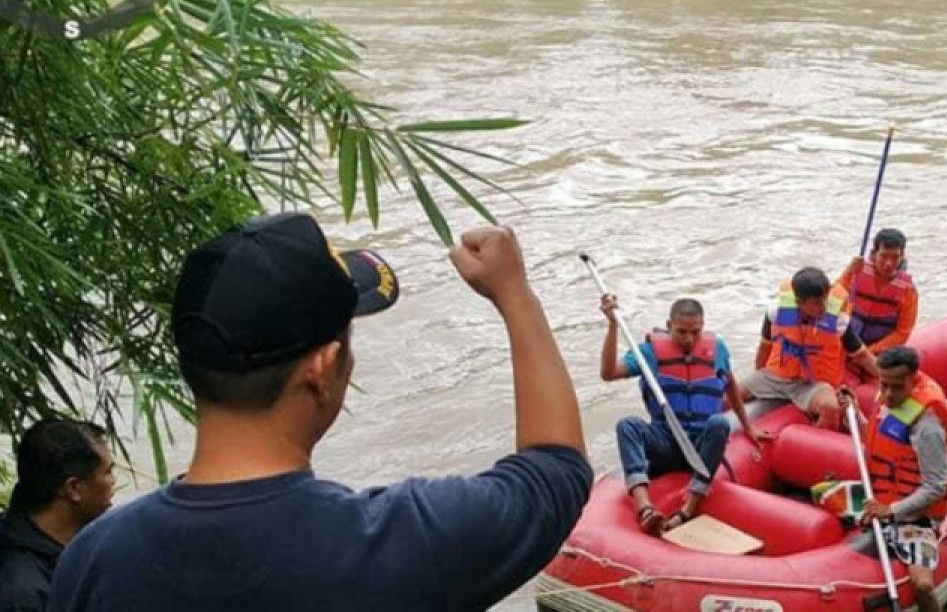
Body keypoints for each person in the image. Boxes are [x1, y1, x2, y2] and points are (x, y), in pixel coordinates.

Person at [49, 214, 591, 611]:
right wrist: (515, 296)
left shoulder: (92, 562)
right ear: (324, 367)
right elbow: (556, 472)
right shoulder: (399, 543)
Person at [600, 295, 770, 535]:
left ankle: (687, 509)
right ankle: (645, 508)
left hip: (700, 448)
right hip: (666, 441)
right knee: (627, 425)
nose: (689, 339)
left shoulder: (717, 349)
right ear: (669, 326)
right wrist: (612, 325)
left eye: (696, 332)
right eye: (681, 332)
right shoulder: (649, 353)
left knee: (719, 423)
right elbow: (608, 373)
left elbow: (730, 385)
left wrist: (747, 426)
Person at [839, 347, 947, 612]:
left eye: (897, 387)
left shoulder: (927, 425)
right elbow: (874, 440)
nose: (889, 394)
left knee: (923, 586)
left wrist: (890, 511)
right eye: (884, 385)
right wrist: (855, 413)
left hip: (916, 518)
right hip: (882, 498)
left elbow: (936, 486)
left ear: (913, 379)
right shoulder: (887, 399)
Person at [741, 267, 879, 430]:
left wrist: (888, 376)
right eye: (816, 303)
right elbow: (764, 347)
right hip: (777, 376)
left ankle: (815, 442)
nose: (823, 307)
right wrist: (758, 375)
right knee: (729, 394)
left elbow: (862, 356)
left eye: (825, 300)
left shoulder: (838, 322)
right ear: (799, 303)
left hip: (813, 384)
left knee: (831, 407)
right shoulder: (776, 312)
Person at [0, 421, 114, 612]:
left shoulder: (71, 545)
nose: (114, 481)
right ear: (74, 489)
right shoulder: (23, 594)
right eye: (108, 472)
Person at [835, 228, 919, 354]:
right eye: (883, 256)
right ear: (874, 254)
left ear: (902, 257)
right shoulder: (857, 272)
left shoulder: (909, 291)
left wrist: (868, 352)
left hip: (879, 351)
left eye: (895, 257)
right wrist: (848, 271)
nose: (889, 264)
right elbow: (831, 301)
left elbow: (902, 333)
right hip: (847, 341)